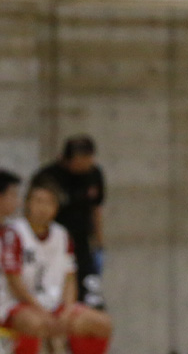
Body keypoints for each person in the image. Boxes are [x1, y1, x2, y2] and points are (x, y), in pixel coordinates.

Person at [0, 175, 112, 354]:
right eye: (38, 201)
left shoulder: (62, 235)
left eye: (49, 202)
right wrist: (40, 310)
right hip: (17, 304)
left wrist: (67, 310)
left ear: (56, 208)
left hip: (53, 305)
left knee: (101, 324)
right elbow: (14, 281)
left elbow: (70, 277)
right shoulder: (14, 233)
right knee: (35, 324)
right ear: (27, 203)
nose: (43, 208)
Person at [34, 136, 105, 308]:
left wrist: (99, 243)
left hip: (82, 242)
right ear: (72, 159)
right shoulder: (48, 177)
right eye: (84, 158)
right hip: (55, 243)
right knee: (58, 291)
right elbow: (38, 213)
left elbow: (96, 208)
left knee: (89, 295)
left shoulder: (93, 174)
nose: (89, 163)